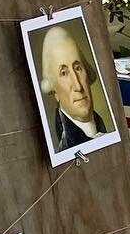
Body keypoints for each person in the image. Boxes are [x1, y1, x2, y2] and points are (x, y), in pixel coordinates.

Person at [40, 24, 107, 153]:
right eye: (64, 73)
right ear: (55, 91)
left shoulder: (101, 126)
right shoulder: (65, 148)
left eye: (78, 68)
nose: (78, 86)